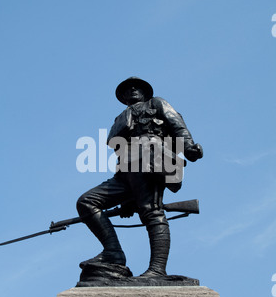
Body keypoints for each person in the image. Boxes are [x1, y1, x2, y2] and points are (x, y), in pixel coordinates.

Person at [77, 77, 203, 277]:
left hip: (153, 159)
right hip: (127, 168)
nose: (132, 89)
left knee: (151, 211)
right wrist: (128, 199)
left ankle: (157, 270)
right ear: (123, 97)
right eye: (127, 89)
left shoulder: (156, 104)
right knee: (86, 202)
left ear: (146, 92)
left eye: (137, 87)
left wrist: (188, 147)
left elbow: (177, 125)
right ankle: (113, 253)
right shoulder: (120, 118)